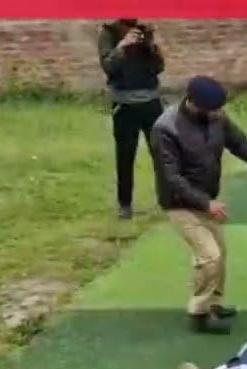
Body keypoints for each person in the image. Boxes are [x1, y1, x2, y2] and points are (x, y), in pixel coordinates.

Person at [151, 75, 247, 334]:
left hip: (207, 198)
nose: (215, 113)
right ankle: (199, 313)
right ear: (191, 102)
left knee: (219, 254)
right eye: (210, 108)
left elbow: (241, 145)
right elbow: (171, 178)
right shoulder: (166, 128)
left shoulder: (216, 118)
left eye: (217, 108)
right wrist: (205, 203)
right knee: (209, 257)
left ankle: (214, 303)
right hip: (180, 204)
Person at [97, 19, 165, 220]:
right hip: (124, 104)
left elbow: (159, 67)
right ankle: (125, 205)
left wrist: (151, 47)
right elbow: (108, 67)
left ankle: (168, 198)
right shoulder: (108, 32)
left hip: (151, 102)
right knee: (125, 155)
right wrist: (122, 46)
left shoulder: (146, 30)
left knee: (161, 153)